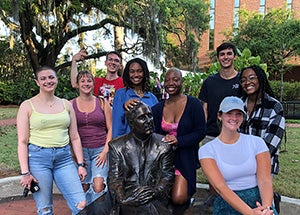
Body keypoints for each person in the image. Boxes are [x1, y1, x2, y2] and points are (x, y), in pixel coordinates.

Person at [17, 66, 87, 215]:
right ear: (37, 82)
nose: (48, 81)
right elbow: (22, 141)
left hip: (64, 159)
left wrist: (80, 164)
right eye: (43, 78)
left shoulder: (66, 104)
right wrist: (25, 173)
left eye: (51, 77)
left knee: (81, 203)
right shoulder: (27, 106)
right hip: (38, 159)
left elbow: (74, 136)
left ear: (56, 79)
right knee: (45, 209)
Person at [198, 96, 275, 215]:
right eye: (229, 113)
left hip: (258, 199)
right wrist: (250, 213)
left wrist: (266, 208)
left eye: (238, 114)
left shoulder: (257, 142)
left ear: (243, 117)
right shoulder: (207, 150)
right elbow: (220, 187)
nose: (234, 118)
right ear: (219, 115)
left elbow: (265, 180)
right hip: (228, 202)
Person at [151, 68, 206, 214]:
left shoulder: (193, 104)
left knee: (179, 198)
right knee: (160, 198)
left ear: (182, 81)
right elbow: (151, 133)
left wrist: (179, 140)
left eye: (175, 79)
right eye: (168, 80)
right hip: (163, 160)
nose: (171, 83)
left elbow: (201, 132)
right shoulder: (157, 108)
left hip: (185, 157)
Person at [108, 101, 174, 215]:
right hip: (128, 196)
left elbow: (167, 176)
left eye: (150, 116)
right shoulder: (117, 146)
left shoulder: (164, 145)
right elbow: (115, 179)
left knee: (148, 207)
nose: (149, 121)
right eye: (142, 118)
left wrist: (151, 193)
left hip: (154, 196)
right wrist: (124, 199)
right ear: (131, 123)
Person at [198, 42, 240, 206]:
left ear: (234, 56)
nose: (226, 57)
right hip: (212, 134)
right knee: (214, 175)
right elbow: (205, 108)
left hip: (236, 136)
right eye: (222, 54)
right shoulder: (210, 81)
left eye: (229, 53)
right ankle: (215, 206)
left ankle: (234, 206)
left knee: (234, 173)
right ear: (218, 58)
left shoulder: (240, 80)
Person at [70, 70, 112, 205]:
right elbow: (67, 131)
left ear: (94, 84)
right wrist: (74, 155)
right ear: (77, 84)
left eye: (89, 81)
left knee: (99, 185)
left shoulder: (102, 102)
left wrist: (105, 151)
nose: (86, 84)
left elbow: (111, 128)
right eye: (82, 81)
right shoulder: (70, 105)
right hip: (80, 151)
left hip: (100, 150)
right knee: (83, 186)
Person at [238, 65, 285, 176]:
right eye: (243, 80)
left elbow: (271, 143)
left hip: (263, 166)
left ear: (260, 78)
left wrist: (250, 164)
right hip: (238, 165)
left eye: (252, 78)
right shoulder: (238, 105)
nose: (247, 82)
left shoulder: (274, 107)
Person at [112, 57, 158, 138]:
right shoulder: (121, 94)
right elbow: (117, 124)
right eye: (132, 72)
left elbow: (156, 125)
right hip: (128, 146)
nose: (136, 75)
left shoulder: (152, 98)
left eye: (139, 71)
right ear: (127, 74)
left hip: (149, 145)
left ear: (144, 73)